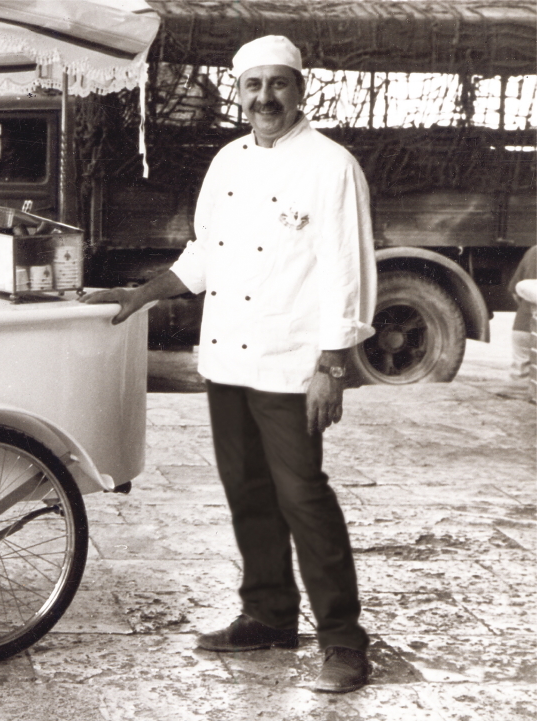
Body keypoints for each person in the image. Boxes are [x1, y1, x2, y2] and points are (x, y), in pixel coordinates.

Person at [81, 35, 377, 693]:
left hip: (292, 364)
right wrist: (139, 294)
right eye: (253, 85)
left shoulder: (331, 166)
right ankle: (268, 614)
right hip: (227, 358)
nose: (265, 98)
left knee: (303, 498)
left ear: (300, 90)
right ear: (238, 93)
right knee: (246, 492)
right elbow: (204, 255)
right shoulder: (227, 162)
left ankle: (344, 642)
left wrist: (332, 365)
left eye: (278, 83)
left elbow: (347, 272)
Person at [509, 245, 536, 382]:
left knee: (520, 380)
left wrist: (526, 309)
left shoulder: (532, 251)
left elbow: (515, 291)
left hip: (521, 326)